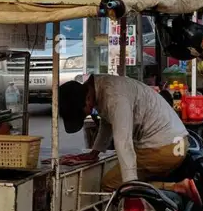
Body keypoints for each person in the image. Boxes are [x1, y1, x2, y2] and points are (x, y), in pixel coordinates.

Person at [59, 73, 193, 193]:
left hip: (162, 148)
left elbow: (123, 143)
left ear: (88, 98)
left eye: (84, 112)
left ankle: (175, 187)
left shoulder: (114, 96)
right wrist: (94, 152)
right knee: (124, 180)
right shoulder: (103, 86)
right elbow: (107, 122)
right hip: (177, 142)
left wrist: (130, 184)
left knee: (110, 184)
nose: (88, 113)